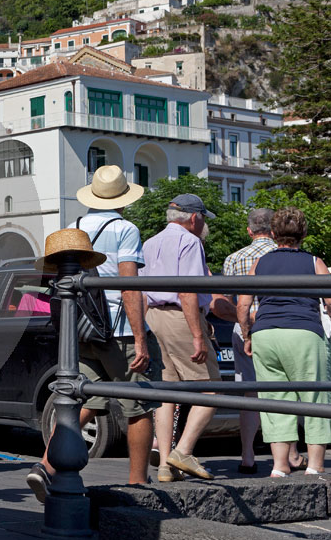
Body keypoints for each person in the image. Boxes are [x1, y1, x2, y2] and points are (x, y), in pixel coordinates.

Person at [28, 165, 156, 502]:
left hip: (81, 327)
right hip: (117, 329)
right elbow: (129, 286)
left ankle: (45, 466)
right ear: (123, 198)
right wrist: (140, 337)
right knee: (139, 405)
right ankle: (138, 484)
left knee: (85, 400)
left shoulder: (75, 227)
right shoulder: (126, 228)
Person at [141, 194, 234, 482]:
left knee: (166, 395)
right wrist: (197, 334)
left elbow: (141, 288)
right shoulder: (190, 242)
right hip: (181, 317)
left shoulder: (150, 242)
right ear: (194, 218)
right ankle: (182, 451)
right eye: (203, 218)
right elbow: (188, 291)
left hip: (154, 316)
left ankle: (165, 466)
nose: (204, 224)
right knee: (211, 390)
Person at [237, 207, 331, 477]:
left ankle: (279, 467)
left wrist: (248, 335)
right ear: (304, 233)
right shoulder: (314, 262)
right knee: (315, 398)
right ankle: (314, 466)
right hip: (304, 332)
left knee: (274, 398)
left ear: (274, 233)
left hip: (266, 333)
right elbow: (330, 301)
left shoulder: (261, 264)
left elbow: (243, 305)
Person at [221, 208, 301, 475]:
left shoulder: (234, 258)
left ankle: (247, 455)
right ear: (275, 229)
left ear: (249, 230)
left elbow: (222, 304)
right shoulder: (291, 256)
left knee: (250, 393)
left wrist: (246, 321)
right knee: (287, 389)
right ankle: (291, 453)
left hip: (244, 329)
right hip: (283, 325)